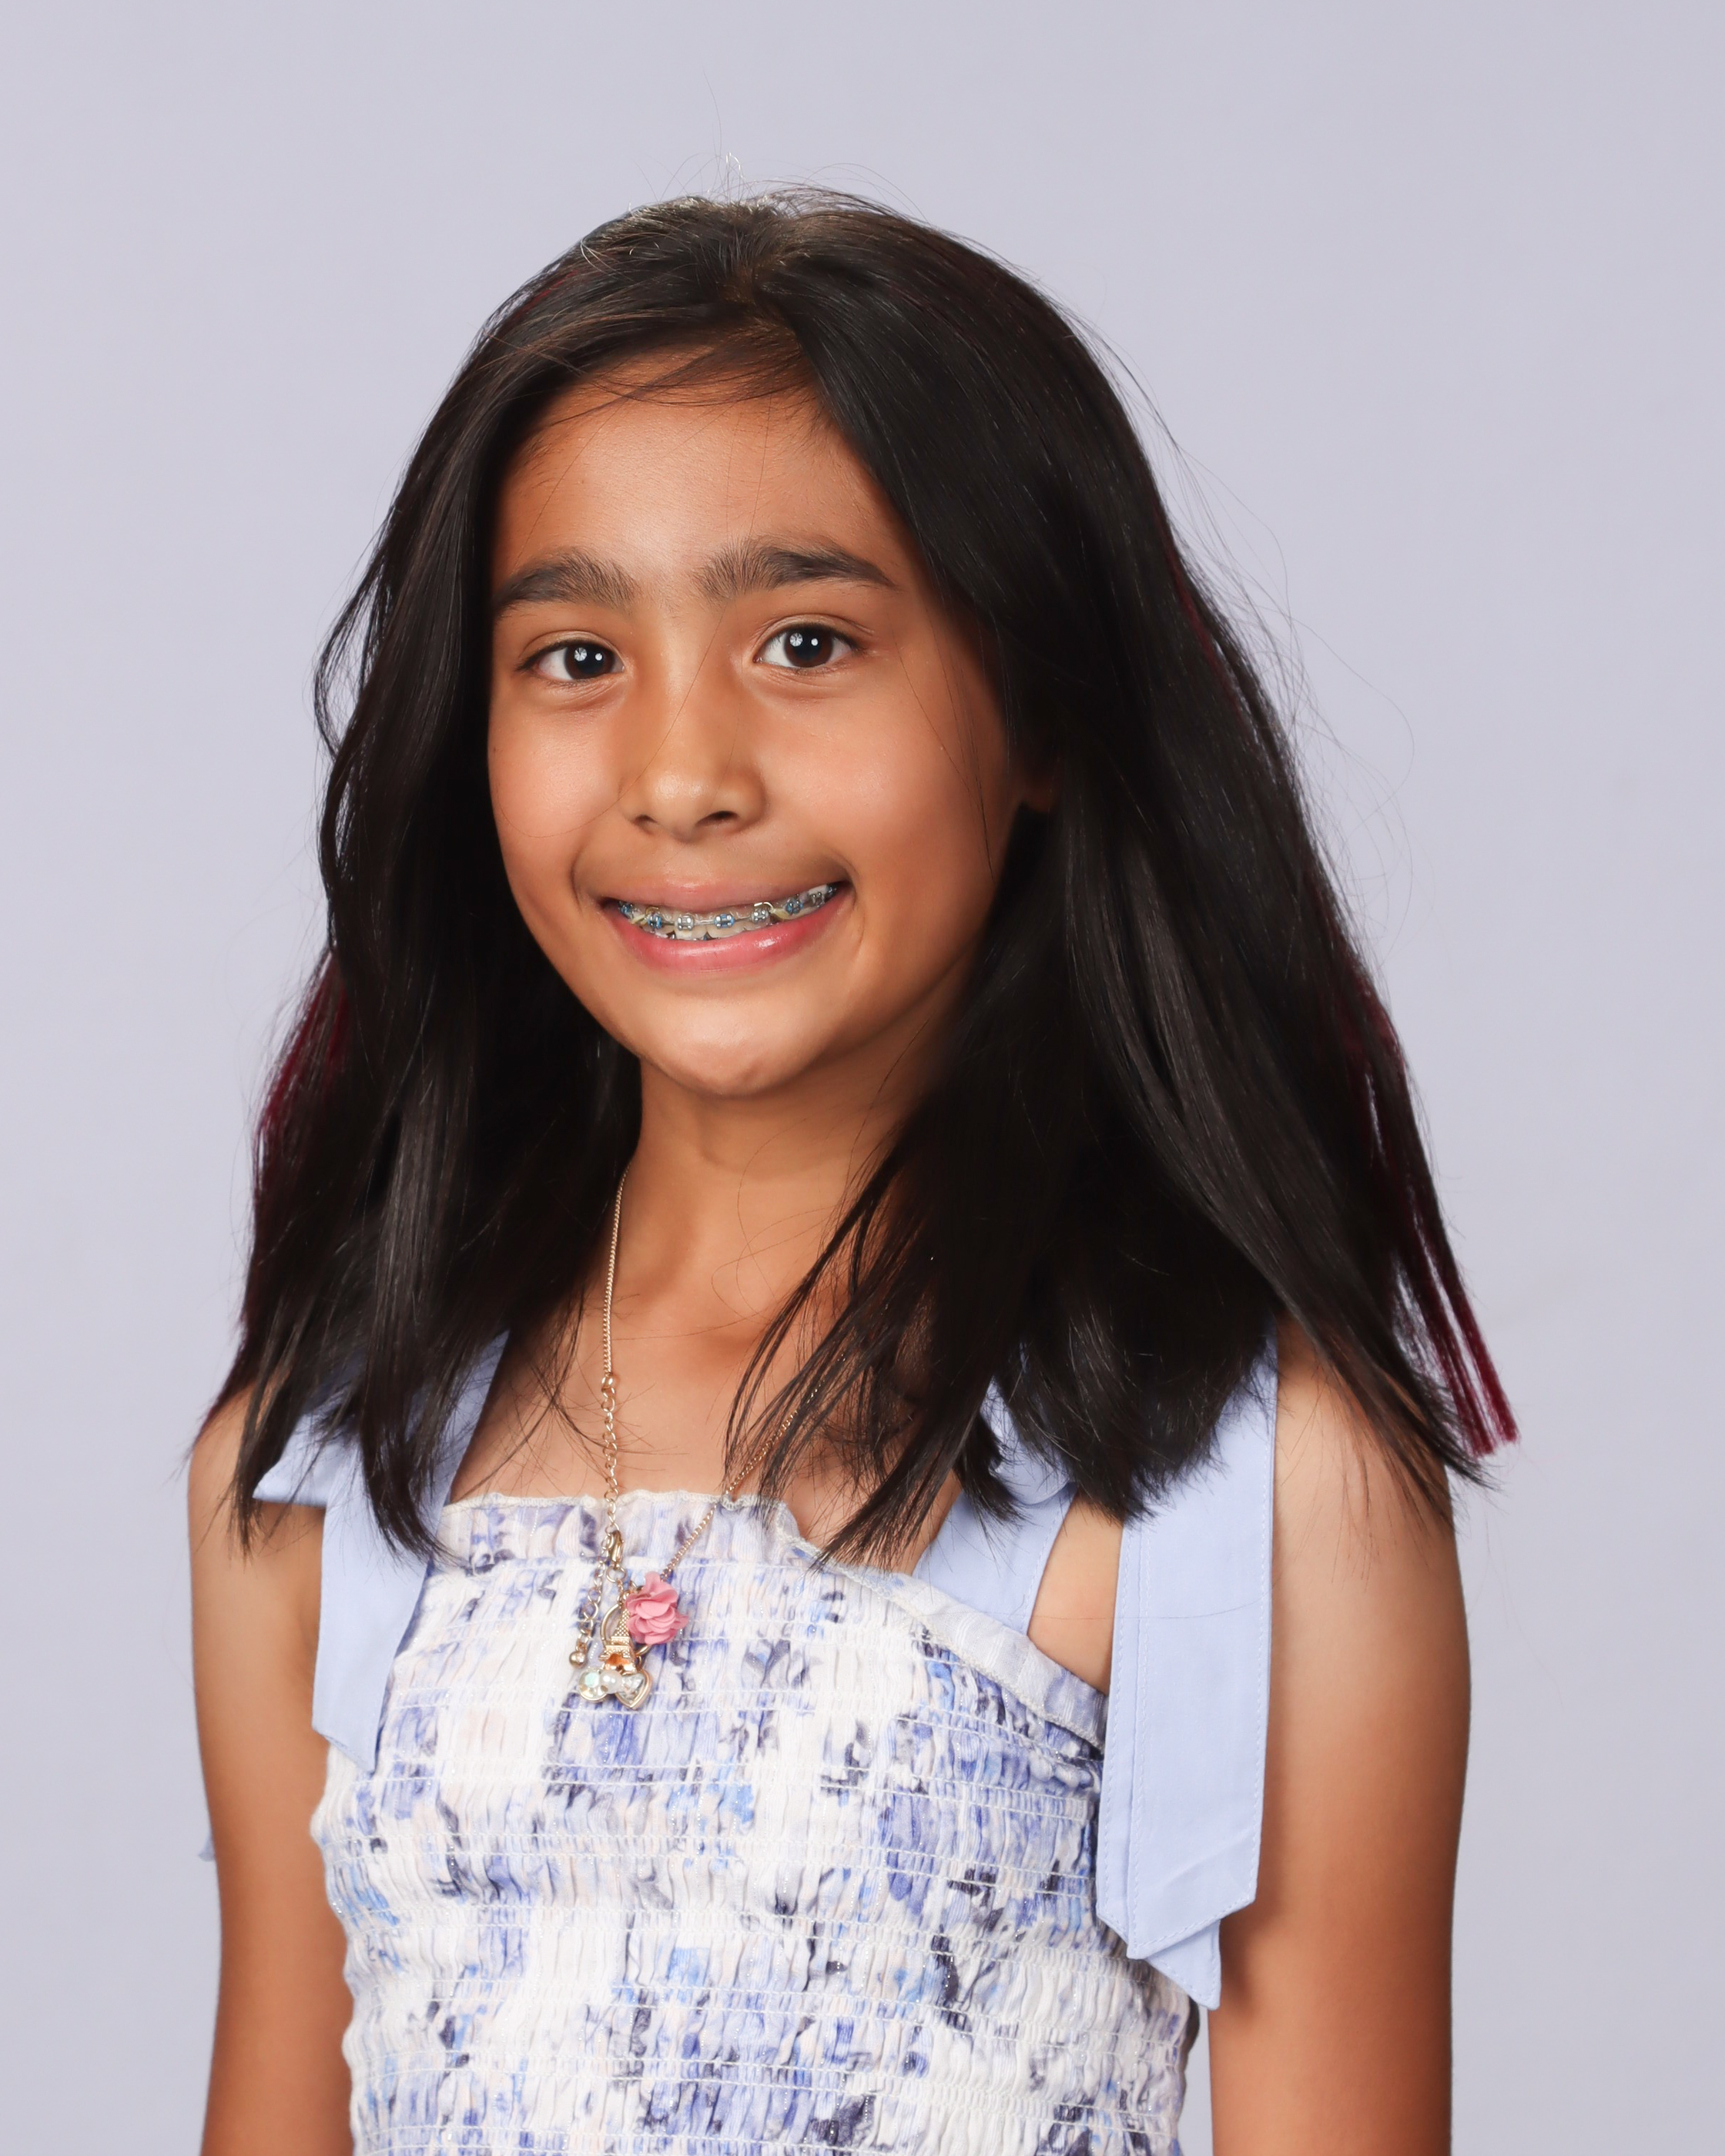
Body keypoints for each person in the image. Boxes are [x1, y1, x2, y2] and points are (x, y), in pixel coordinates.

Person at [189, 192, 1509, 2156]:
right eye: (574, 654)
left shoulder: (1255, 1494)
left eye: (805, 641)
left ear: (1039, 709)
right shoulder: (322, 1463)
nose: (681, 773)